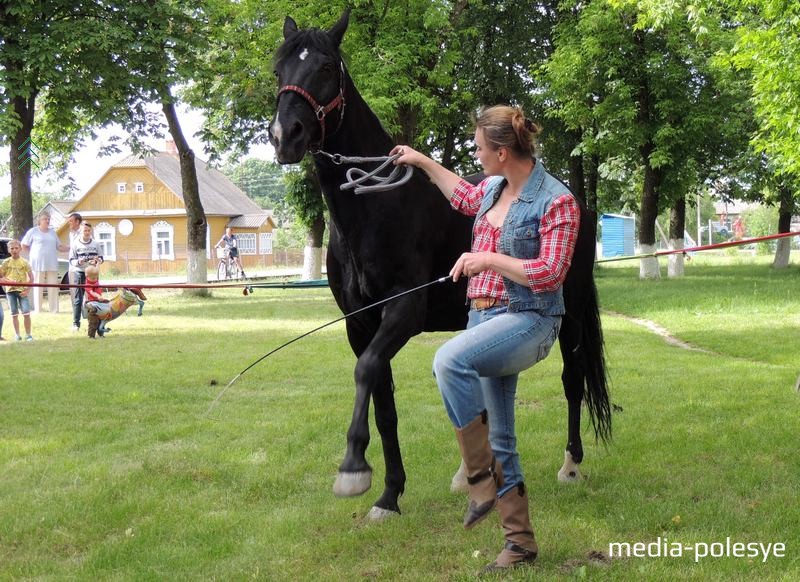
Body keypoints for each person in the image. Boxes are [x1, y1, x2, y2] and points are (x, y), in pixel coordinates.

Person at [391, 105, 581, 573]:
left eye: (478, 148)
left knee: (449, 359)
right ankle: (520, 544)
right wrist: (421, 161)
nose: (475, 154)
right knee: (502, 435)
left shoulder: (556, 202)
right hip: (484, 319)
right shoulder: (493, 188)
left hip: (529, 320)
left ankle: (480, 480)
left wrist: (487, 259)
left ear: (501, 152)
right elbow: (462, 195)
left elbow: (550, 273)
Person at [20, 212, 68, 313]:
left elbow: (59, 246)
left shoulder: (52, 232)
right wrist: (32, 253)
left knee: (53, 286)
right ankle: (38, 309)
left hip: (52, 262)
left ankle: (54, 310)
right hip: (37, 263)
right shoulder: (33, 231)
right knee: (37, 285)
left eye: (48, 219)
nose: (47, 221)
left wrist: (72, 248)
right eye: (45, 219)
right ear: (39, 221)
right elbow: (24, 244)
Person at [82, 263, 146, 338]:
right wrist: (98, 296)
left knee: (104, 314)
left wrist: (98, 263)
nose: (95, 279)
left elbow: (97, 271)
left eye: (96, 277)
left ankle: (101, 333)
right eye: (93, 278)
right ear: (87, 277)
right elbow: (91, 292)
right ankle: (91, 336)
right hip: (91, 302)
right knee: (94, 321)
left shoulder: (94, 278)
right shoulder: (88, 284)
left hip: (99, 301)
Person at [69, 220, 103, 332]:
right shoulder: (75, 244)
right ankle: (76, 324)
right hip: (80, 272)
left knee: (95, 298)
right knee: (78, 299)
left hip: (92, 274)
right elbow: (71, 260)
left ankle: (96, 323)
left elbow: (102, 258)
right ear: (80, 231)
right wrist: (79, 262)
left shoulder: (95, 244)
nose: (87, 233)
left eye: (89, 230)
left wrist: (98, 260)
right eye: (85, 231)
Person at [0, 239, 35, 341]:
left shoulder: (24, 262)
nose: (14, 250)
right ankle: (17, 334)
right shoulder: (5, 263)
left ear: (20, 249)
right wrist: (6, 281)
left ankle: (28, 334)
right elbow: (1, 275)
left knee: (26, 312)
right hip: (10, 291)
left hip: (22, 291)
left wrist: (27, 290)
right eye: (12, 248)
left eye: (16, 248)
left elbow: (31, 278)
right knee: (14, 313)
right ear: (8, 250)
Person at [66, 212, 84, 330]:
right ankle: (76, 322)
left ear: (77, 222)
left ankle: (93, 320)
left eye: (71, 221)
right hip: (73, 267)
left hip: (84, 269)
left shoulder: (85, 232)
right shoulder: (71, 234)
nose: (69, 223)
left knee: (87, 295)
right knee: (75, 295)